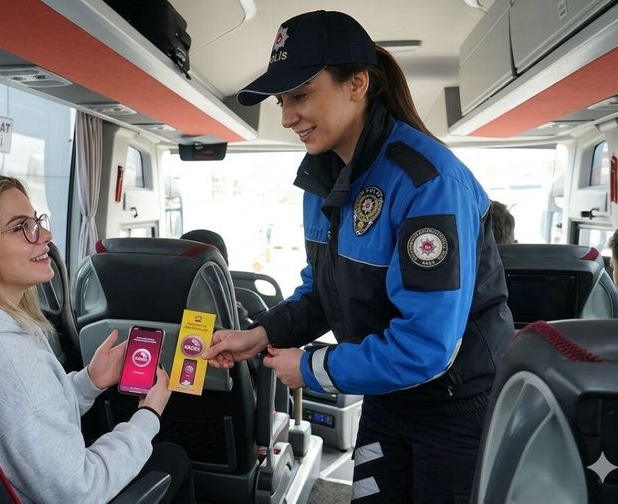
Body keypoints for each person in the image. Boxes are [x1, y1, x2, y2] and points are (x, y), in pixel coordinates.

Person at [201, 11, 513, 503]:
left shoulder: (427, 181)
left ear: (358, 84)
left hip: (455, 409)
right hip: (385, 396)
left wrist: (310, 368)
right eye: (282, 100)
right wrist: (260, 335)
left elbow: (427, 347)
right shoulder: (322, 178)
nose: (285, 116)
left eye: (300, 94)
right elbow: (323, 295)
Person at [0, 174, 194, 504]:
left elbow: (16, 424)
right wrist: (148, 415)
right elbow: (79, 490)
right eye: (22, 227)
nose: (46, 235)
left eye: (38, 222)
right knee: (171, 458)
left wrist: (89, 381)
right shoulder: (8, 355)